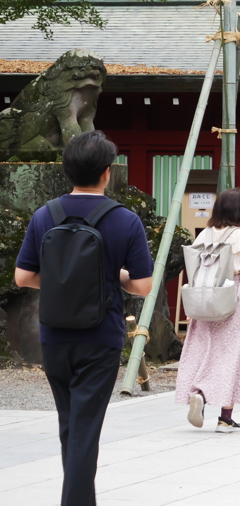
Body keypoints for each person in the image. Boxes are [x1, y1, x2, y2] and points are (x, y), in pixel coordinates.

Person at [14, 131, 154, 506]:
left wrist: (63, 283)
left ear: (67, 169)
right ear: (107, 173)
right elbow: (143, 286)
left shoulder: (46, 214)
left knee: (71, 425)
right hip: (100, 337)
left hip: (54, 336)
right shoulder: (124, 220)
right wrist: (114, 278)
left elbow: (23, 277)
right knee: (85, 429)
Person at [175, 188, 240, 433]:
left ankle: (197, 392)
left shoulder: (204, 234)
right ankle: (224, 417)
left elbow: (194, 269)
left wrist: (193, 304)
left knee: (204, 349)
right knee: (232, 354)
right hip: (232, 295)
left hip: (205, 296)